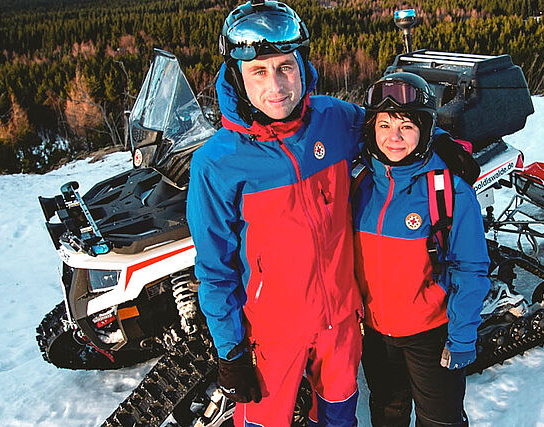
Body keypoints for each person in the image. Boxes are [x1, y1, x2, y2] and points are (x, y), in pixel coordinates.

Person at [186, 1, 365, 426]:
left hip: (340, 321)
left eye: (286, 67)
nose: (276, 86)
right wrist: (230, 352)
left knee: (340, 416)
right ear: (237, 77)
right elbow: (214, 268)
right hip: (271, 336)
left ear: (302, 65)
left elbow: (395, 132)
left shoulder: (334, 119)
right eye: (259, 73)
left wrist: (442, 142)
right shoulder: (217, 162)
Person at [352, 72, 492, 427]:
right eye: (383, 125)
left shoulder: (447, 190)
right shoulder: (360, 182)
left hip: (431, 333)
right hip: (376, 334)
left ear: (425, 129)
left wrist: (462, 337)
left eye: (406, 126)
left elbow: (471, 268)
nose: (393, 137)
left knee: (439, 419)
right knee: (387, 412)